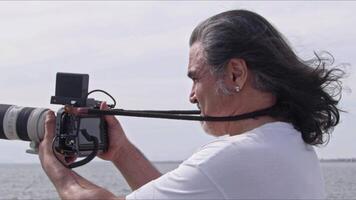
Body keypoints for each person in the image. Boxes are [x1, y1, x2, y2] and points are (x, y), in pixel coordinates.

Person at [39, 10, 344, 199]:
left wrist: (53, 164)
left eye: (196, 78)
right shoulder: (292, 146)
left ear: (235, 73)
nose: (192, 96)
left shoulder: (236, 155)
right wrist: (122, 153)